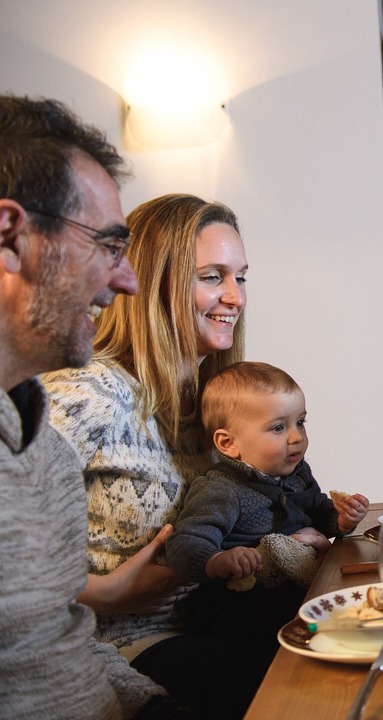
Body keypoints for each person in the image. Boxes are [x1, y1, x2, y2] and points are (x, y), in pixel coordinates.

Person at [42, 193, 285, 719]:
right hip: (120, 649)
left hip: (211, 620)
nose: (234, 297)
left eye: (240, 277)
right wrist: (101, 593)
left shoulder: (210, 408)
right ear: (155, 282)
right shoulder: (86, 395)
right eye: (212, 276)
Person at [0, 95, 194, 719]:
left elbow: (65, 643)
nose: (127, 281)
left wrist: (151, 707)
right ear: (11, 237)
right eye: (107, 245)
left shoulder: (40, 448)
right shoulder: (74, 407)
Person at [168, 361, 369, 640]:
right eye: (278, 428)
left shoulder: (298, 473)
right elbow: (184, 544)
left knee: (361, 585)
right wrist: (218, 560)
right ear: (228, 444)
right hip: (240, 604)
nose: (297, 436)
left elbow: (320, 511)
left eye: (300, 422)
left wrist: (342, 518)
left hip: (297, 582)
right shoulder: (222, 489)